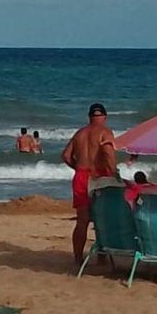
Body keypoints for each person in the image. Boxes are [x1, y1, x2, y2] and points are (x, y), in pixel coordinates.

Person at [62, 102, 118, 267]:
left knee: (82, 220)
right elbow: (108, 153)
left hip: (81, 176)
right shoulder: (105, 132)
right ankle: (101, 256)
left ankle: (78, 259)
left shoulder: (80, 133)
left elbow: (65, 155)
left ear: (89, 117)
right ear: (105, 117)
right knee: (103, 217)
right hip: (99, 176)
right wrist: (114, 173)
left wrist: (79, 168)